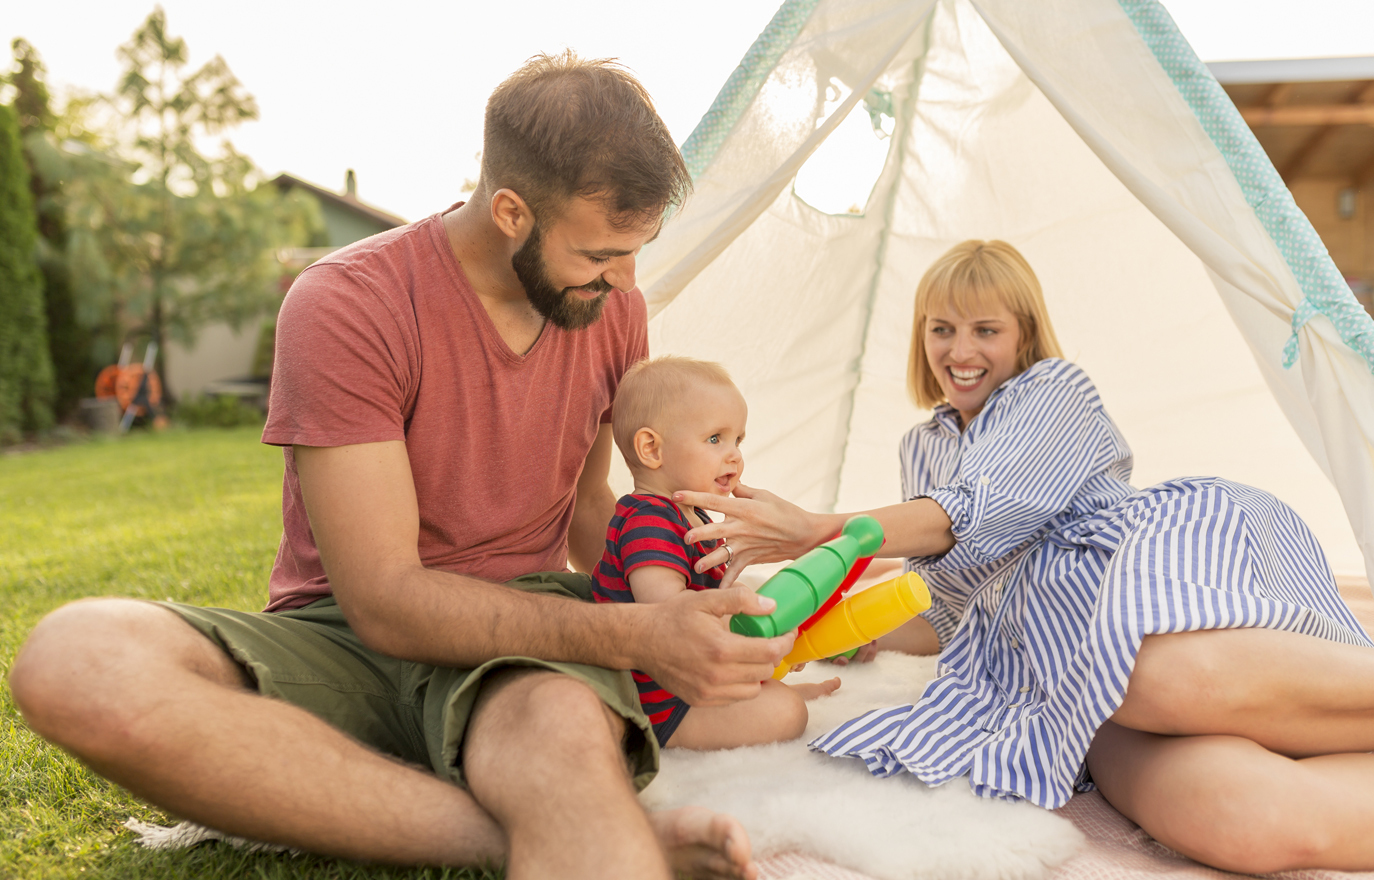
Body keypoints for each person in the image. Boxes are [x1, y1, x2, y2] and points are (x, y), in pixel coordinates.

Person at [9, 53, 791, 880]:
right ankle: (501, 835)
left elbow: (590, 502)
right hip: (344, 636)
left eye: (636, 250)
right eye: (601, 253)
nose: (626, 280)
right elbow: (383, 598)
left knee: (558, 729)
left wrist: (690, 614)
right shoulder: (349, 302)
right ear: (511, 211)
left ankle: (546, 819)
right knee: (76, 657)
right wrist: (633, 632)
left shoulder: (608, 307)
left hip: (521, 645)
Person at [675, 239, 1374, 874]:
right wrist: (852, 631)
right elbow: (951, 603)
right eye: (942, 329)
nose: (960, 351)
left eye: (985, 330)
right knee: (1246, 820)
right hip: (1051, 669)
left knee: (1158, 676)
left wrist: (822, 530)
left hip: (1142, 567)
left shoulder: (1053, 391)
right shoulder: (922, 448)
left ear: (1025, 335)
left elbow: (979, 510)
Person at [593, 356, 840, 750]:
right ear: (651, 448)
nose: (735, 455)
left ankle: (760, 694)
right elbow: (669, 613)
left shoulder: (691, 515)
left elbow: (720, 591)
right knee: (789, 713)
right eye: (715, 439)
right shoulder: (648, 520)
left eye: (738, 440)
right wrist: (750, 643)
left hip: (686, 680)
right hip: (655, 700)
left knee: (774, 689)